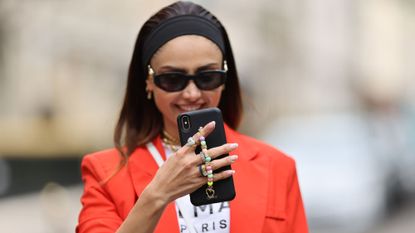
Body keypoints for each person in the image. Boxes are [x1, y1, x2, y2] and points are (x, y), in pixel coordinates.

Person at [76, 1, 308, 233]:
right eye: (172, 79)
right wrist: (157, 195)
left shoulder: (277, 167)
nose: (192, 94)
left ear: (225, 78)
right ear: (148, 82)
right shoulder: (105, 174)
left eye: (207, 77)